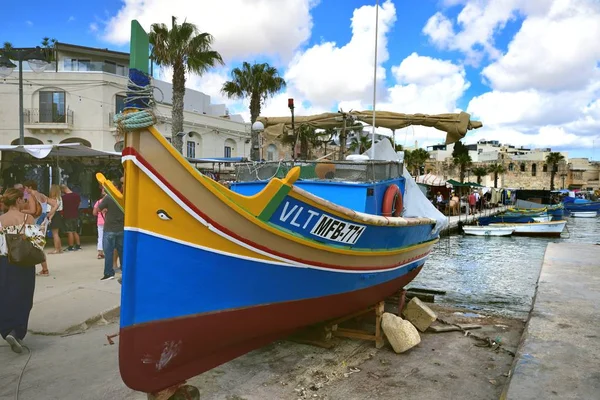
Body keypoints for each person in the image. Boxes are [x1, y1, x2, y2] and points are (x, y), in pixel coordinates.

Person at [0, 188, 45, 353]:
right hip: (24, 263)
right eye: (23, 199)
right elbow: (38, 242)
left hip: (4, 262)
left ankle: (6, 330)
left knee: (4, 296)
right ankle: (17, 331)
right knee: (24, 297)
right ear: (18, 200)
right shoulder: (28, 218)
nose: (25, 202)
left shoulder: (1, 219)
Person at [23, 180, 58, 276]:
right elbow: (55, 204)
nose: (25, 190)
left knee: (32, 245)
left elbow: (33, 210)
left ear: (29, 187)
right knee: (39, 245)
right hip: (43, 221)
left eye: (25, 188)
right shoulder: (42, 195)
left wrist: (21, 211)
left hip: (35, 221)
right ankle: (44, 269)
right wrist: (49, 215)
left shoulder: (31, 196)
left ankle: (41, 269)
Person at [97, 181, 124, 280]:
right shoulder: (124, 197)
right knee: (122, 252)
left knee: (108, 252)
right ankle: (125, 271)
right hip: (121, 229)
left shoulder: (108, 198)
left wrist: (104, 208)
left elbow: (96, 211)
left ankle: (109, 273)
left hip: (109, 229)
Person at [61, 184, 81, 251]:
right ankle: (78, 245)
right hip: (75, 214)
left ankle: (71, 246)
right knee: (75, 231)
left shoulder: (64, 198)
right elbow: (79, 204)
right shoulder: (76, 195)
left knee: (69, 231)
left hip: (68, 215)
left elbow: (62, 207)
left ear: (63, 189)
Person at [47, 184, 64, 254]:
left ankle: (56, 249)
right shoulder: (59, 198)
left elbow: (53, 209)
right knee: (57, 234)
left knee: (55, 234)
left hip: (54, 215)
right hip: (58, 215)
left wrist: (49, 217)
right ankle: (59, 248)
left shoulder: (53, 199)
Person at [93, 189, 107, 259]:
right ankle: (108, 251)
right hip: (108, 221)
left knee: (100, 237)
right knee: (107, 237)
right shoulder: (110, 201)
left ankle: (100, 252)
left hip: (100, 222)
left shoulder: (98, 202)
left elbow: (94, 213)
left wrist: (100, 213)